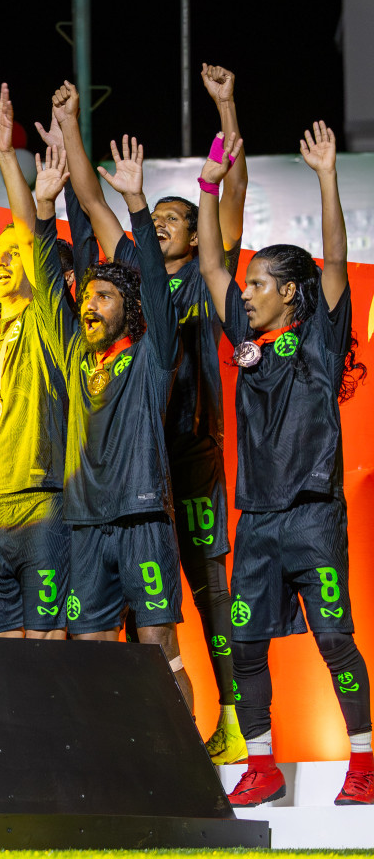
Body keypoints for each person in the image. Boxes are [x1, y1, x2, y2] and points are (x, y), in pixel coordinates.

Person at [52, 72, 247, 762]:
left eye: (175, 217)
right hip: (130, 467)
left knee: (210, 595)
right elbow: (89, 199)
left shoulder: (208, 270)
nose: (160, 221)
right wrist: (70, 124)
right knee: (127, 620)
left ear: (196, 237)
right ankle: (129, 750)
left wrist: (225, 109)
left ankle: (232, 722)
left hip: (189, 457)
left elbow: (231, 192)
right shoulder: (130, 274)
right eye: (154, 215)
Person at [198, 125, 374, 807]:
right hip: (259, 522)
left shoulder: (322, 338)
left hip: (312, 518)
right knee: (244, 646)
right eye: (247, 285)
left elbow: (335, 258)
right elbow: (211, 265)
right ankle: (261, 766)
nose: (246, 293)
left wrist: (327, 176)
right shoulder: (247, 339)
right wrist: (209, 186)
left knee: (334, 640)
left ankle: (364, 762)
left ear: (291, 293)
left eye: (259, 284)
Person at [30, 139, 193, 709]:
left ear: (129, 308)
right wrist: (44, 210)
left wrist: (138, 206)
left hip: (141, 517)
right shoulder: (76, 356)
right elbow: (48, 288)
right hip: (84, 522)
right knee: (91, 651)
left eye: (104, 296)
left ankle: (182, 757)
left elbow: (156, 287)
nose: (90, 305)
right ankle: (110, 754)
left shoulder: (151, 356)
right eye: (88, 297)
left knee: (157, 647)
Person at [0, 84, 73, 639]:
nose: (2, 263)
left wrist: (4, 154)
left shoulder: (48, 319)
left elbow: (28, 234)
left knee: (48, 651)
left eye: (13, 257)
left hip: (42, 503)